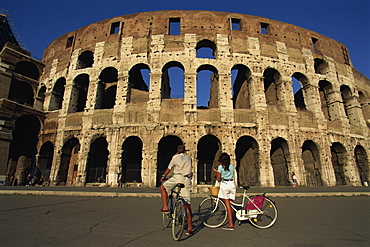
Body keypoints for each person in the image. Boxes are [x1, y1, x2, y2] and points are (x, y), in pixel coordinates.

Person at [160, 144, 193, 235]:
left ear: (177, 151)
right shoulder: (189, 158)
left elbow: (169, 168)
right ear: (185, 150)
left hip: (177, 178)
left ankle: (165, 206)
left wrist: (163, 176)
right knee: (187, 204)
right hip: (186, 180)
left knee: (162, 187)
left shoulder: (175, 157)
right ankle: (190, 228)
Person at [214, 152, 236, 231]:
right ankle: (231, 220)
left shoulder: (220, 167)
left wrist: (217, 173)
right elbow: (230, 174)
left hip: (225, 185)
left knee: (227, 206)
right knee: (231, 205)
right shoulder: (232, 166)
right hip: (232, 184)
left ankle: (230, 224)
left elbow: (219, 179)